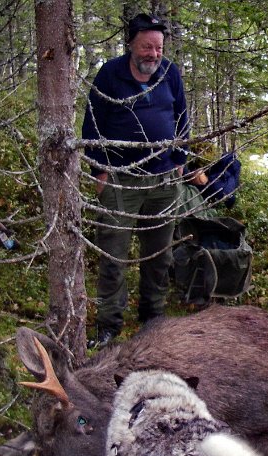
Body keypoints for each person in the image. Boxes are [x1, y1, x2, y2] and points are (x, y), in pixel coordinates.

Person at [82, 13, 190, 346]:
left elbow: (182, 117)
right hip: (119, 181)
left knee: (159, 255)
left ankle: (152, 316)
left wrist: (180, 161)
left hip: (162, 181)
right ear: (131, 44)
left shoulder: (170, 74)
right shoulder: (110, 75)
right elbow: (92, 125)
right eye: (146, 47)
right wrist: (98, 170)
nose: (153, 54)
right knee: (114, 254)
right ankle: (109, 323)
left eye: (158, 47)